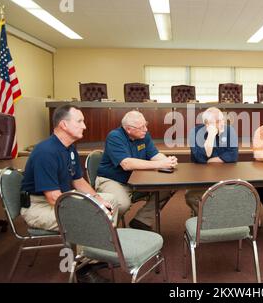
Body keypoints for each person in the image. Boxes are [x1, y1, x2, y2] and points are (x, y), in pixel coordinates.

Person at [21, 104, 118, 283]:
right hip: (38, 206)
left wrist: (97, 199)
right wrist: (90, 207)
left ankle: (97, 255)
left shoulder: (69, 147)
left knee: (110, 200)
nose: (85, 126)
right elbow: (52, 198)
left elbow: (78, 181)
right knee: (87, 216)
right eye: (80, 121)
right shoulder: (46, 152)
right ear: (64, 125)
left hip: (60, 198)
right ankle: (83, 269)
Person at [96, 110, 178, 231]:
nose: (145, 129)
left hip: (137, 179)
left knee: (168, 187)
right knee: (121, 204)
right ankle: (108, 233)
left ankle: (141, 220)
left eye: (146, 124)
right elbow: (127, 164)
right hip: (113, 180)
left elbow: (154, 154)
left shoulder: (143, 135)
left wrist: (168, 161)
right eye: (141, 127)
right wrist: (160, 164)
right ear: (128, 129)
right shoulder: (115, 137)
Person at [185, 107, 238, 215]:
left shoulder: (229, 130)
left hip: (224, 176)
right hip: (201, 178)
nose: (222, 123)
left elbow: (233, 155)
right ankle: (203, 219)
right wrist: (211, 135)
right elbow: (200, 158)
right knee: (191, 196)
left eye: (223, 119)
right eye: (218, 121)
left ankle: (217, 219)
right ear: (207, 124)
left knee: (239, 193)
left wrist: (213, 159)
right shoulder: (195, 132)